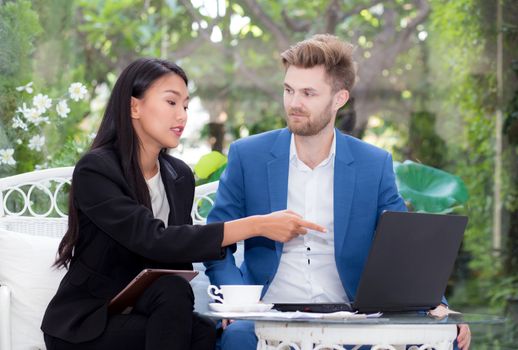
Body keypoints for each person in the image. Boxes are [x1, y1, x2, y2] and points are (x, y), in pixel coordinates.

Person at [204, 34, 471, 350]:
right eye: (289, 90)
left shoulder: (374, 163)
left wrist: (435, 302)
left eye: (308, 93)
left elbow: (402, 248)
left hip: (352, 316)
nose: (294, 103)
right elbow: (215, 239)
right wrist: (235, 302)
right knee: (236, 339)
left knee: (444, 338)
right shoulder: (248, 156)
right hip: (267, 312)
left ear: (339, 98)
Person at [40, 58, 325, 350]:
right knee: (182, 315)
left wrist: (230, 306)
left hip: (145, 311)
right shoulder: (96, 169)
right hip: (90, 323)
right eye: (171, 102)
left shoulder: (179, 176)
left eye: (186, 106)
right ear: (134, 107)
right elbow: (152, 239)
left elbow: (176, 259)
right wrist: (257, 225)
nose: (182, 116)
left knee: (197, 323)